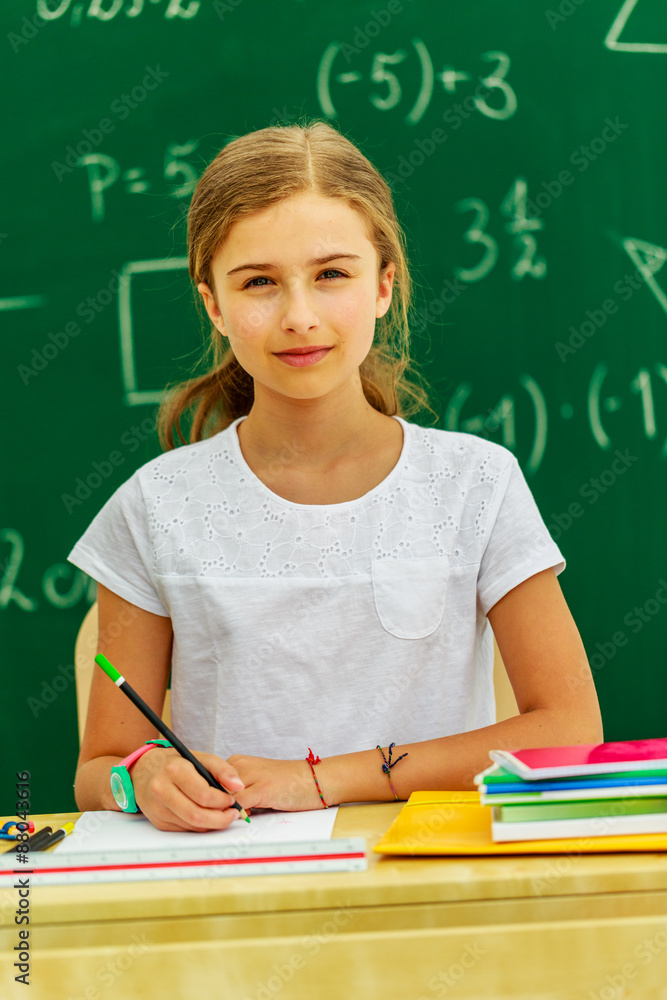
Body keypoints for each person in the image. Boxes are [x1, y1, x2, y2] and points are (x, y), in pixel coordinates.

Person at [68, 119, 602, 832]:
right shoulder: (156, 505)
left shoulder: (476, 482)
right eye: (259, 283)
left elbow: (569, 729)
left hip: (431, 887)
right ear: (213, 305)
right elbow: (100, 764)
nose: (298, 316)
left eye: (331, 275)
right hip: (231, 895)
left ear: (384, 285)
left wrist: (320, 781)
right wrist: (143, 777)